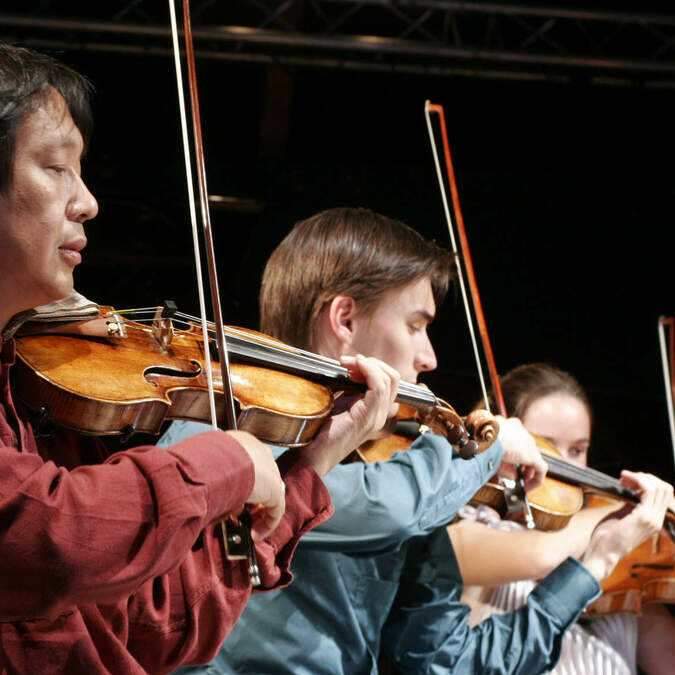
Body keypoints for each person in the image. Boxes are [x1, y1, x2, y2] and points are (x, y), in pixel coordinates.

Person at [0, 44, 401, 674]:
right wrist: (227, 457)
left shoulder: (36, 393)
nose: (88, 202)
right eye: (55, 168)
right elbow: (48, 540)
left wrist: (311, 462)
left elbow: (156, 625)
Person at [168, 207, 671, 675]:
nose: (429, 357)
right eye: (415, 326)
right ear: (344, 320)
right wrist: (485, 447)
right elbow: (381, 505)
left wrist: (597, 562)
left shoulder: (411, 478)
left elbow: (443, 660)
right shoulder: (219, 424)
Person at [448, 362, 675, 675]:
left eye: (577, 450)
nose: (565, 466)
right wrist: (630, 507)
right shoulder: (468, 527)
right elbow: (542, 555)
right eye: (546, 445)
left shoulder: (624, 581)